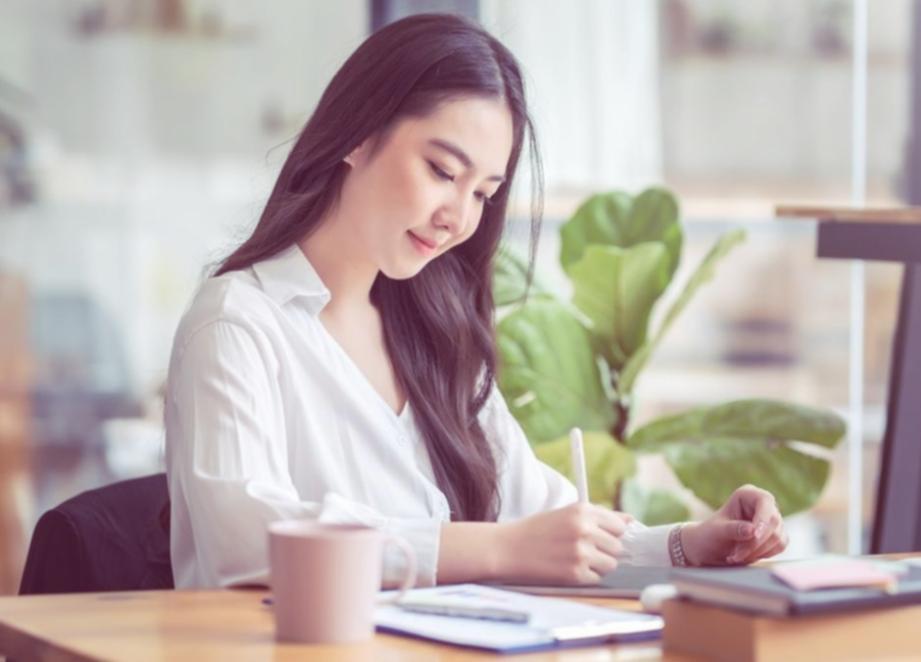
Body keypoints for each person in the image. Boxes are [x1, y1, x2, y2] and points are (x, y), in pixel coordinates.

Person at [164, 13, 788, 590]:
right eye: (441, 171)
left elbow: (544, 527)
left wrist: (688, 545)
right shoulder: (237, 323)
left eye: (484, 193)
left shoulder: (432, 332)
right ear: (357, 137)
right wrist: (492, 550)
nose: (457, 217)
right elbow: (245, 543)